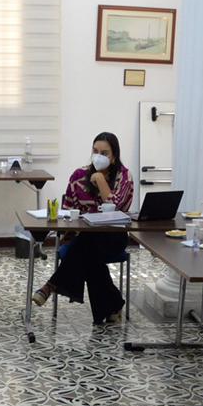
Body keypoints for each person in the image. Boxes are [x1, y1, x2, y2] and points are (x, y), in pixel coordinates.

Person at [30, 132, 134, 325]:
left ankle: (51, 285)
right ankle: (113, 305)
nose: (98, 156)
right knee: (89, 252)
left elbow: (118, 206)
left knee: (85, 247)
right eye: (95, 151)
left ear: (114, 156)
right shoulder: (79, 176)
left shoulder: (124, 176)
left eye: (104, 153)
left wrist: (100, 180)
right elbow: (67, 211)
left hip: (113, 237)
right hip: (83, 238)